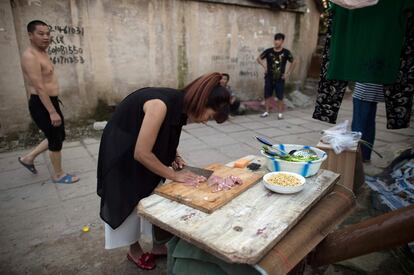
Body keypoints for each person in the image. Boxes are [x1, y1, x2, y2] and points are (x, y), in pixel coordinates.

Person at [97, 72, 231, 270]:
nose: (205, 121)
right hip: (122, 148)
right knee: (127, 198)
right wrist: (174, 175)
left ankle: (158, 246)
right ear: (201, 102)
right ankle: (133, 250)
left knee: (153, 192)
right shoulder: (160, 105)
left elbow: (162, 133)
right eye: (209, 116)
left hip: (137, 145)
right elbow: (142, 153)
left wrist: (174, 155)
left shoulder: (180, 105)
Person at [18, 20, 79, 184]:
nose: (46, 37)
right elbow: (39, 86)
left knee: (59, 135)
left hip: (50, 101)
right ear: (30, 35)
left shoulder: (42, 52)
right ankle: (59, 175)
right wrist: (52, 111)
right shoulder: (30, 56)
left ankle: (28, 158)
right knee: (55, 139)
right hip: (41, 104)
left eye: (47, 33)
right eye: (41, 34)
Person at [257, 33, 296, 119]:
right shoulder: (268, 51)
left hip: (280, 78)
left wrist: (288, 73)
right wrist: (265, 67)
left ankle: (280, 113)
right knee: (267, 95)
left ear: (282, 41)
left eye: (279, 40)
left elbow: (294, 61)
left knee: (280, 96)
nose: (276, 42)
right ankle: (266, 111)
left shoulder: (286, 52)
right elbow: (259, 58)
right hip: (269, 77)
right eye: (275, 40)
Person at [351, 82, 384, 162]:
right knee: (369, 125)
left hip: (364, 90)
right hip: (375, 90)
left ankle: (357, 157)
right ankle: (365, 156)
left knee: (358, 126)